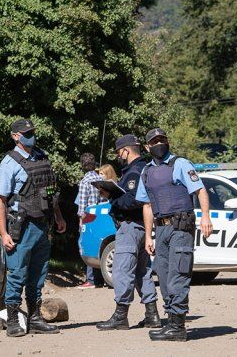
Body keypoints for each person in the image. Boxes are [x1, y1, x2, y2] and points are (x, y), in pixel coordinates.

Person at [135, 128, 212, 342]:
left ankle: (178, 327)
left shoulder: (180, 164)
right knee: (165, 275)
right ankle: (171, 322)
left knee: (178, 273)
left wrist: (205, 216)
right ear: (147, 147)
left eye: (162, 140)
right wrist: (148, 236)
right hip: (161, 229)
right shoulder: (147, 172)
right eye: (155, 141)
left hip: (181, 226)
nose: (159, 144)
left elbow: (200, 190)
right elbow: (148, 206)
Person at [0, 118, 67, 337]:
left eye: (32, 131)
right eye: (26, 133)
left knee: (39, 273)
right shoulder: (9, 163)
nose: (31, 135)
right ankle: (13, 319)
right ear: (15, 136)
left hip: (43, 225)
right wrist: (3, 232)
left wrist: (59, 217)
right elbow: (0, 200)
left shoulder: (41, 157)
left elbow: (51, 193)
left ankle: (35, 318)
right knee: (17, 273)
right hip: (22, 226)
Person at [96, 134, 161, 331]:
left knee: (122, 270)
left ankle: (120, 316)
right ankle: (152, 315)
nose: (119, 156)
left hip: (131, 226)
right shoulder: (146, 168)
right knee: (143, 272)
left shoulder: (134, 172)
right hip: (143, 227)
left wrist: (113, 197)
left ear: (126, 150)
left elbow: (134, 201)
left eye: (119, 152)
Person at [74, 153, 104, 289]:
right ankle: (99, 279)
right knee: (98, 246)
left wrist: (81, 221)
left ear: (82, 166)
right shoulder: (101, 179)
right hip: (100, 217)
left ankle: (90, 280)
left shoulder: (84, 182)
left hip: (88, 218)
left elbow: (82, 206)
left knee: (87, 247)